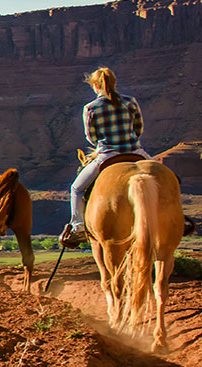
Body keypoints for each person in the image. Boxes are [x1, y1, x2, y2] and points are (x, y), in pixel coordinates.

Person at [60, 67, 150, 247]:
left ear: (95, 85)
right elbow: (138, 129)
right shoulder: (130, 102)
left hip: (107, 154)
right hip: (136, 152)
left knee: (76, 189)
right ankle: (179, 218)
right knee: (169, 178)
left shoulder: (91, 108)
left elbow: (91, 138)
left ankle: (78, 227)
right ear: (114, 82)